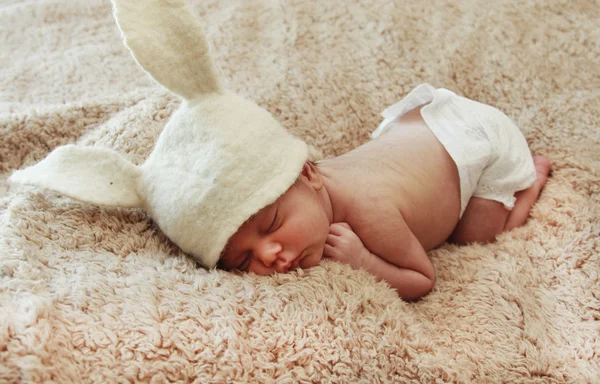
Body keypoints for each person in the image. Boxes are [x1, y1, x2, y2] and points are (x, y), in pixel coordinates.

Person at [218, 84, 551, 301]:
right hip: (423, 128)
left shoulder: (370, 212)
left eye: (273, 223)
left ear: (309, 174)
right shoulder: (311, 184)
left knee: (475, 233)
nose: (267, 255)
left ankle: (530, 182)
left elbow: (422, 278)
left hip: (480, 140)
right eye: (244, 260)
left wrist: (363, 260)